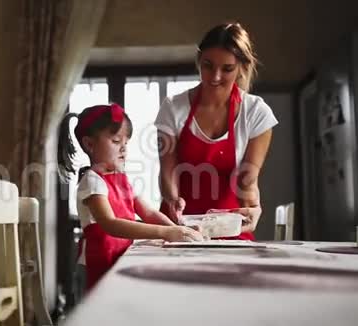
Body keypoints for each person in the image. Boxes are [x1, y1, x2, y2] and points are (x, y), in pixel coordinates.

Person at [58, 103, 203, 290]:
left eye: (126, 143)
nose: (124, 149)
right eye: (116, 141)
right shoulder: (91, 181)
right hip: (96, 264)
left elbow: (148, 212)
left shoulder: (122, 179)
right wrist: (166, 233)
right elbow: (110, 223)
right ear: (89, 144)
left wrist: (178, 230)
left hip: (116, 259)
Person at [155, 22, 278, 240]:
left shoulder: (256, 112)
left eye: (227, 68)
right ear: (199, 61)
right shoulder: (173, 108)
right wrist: (172, 200)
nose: (215, 76)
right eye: (208, 65)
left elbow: (247, 179)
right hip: (179, 226)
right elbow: (168, 171)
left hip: (230, 226)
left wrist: (253, 207)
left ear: (242, 67)